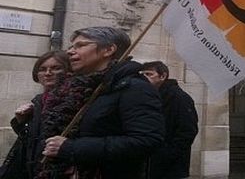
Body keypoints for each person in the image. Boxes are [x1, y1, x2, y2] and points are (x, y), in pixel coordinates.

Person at [40, 26, 165, 179]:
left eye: (81, 45)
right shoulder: (77, 87)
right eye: (71, 46)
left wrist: (72, 148)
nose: (70, 51)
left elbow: (146, 140)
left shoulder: (134, 88)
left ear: (108, 50)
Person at [0, 51, 71, 179]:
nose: (48, 73)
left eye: (56, 68)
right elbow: (31, 138)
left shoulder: (73, 99)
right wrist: (21, 121)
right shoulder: (39, 100)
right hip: (31, 168)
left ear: (68, 71)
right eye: (42, 69)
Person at [141, 61, 199, 179]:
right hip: (149, 164)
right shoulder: (149, 96)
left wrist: (165, 155)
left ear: (163, 76)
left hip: (170, 167)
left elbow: (187, 131)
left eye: (149, 74)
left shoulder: (180, 98)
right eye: (143, 75)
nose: (145, 78)